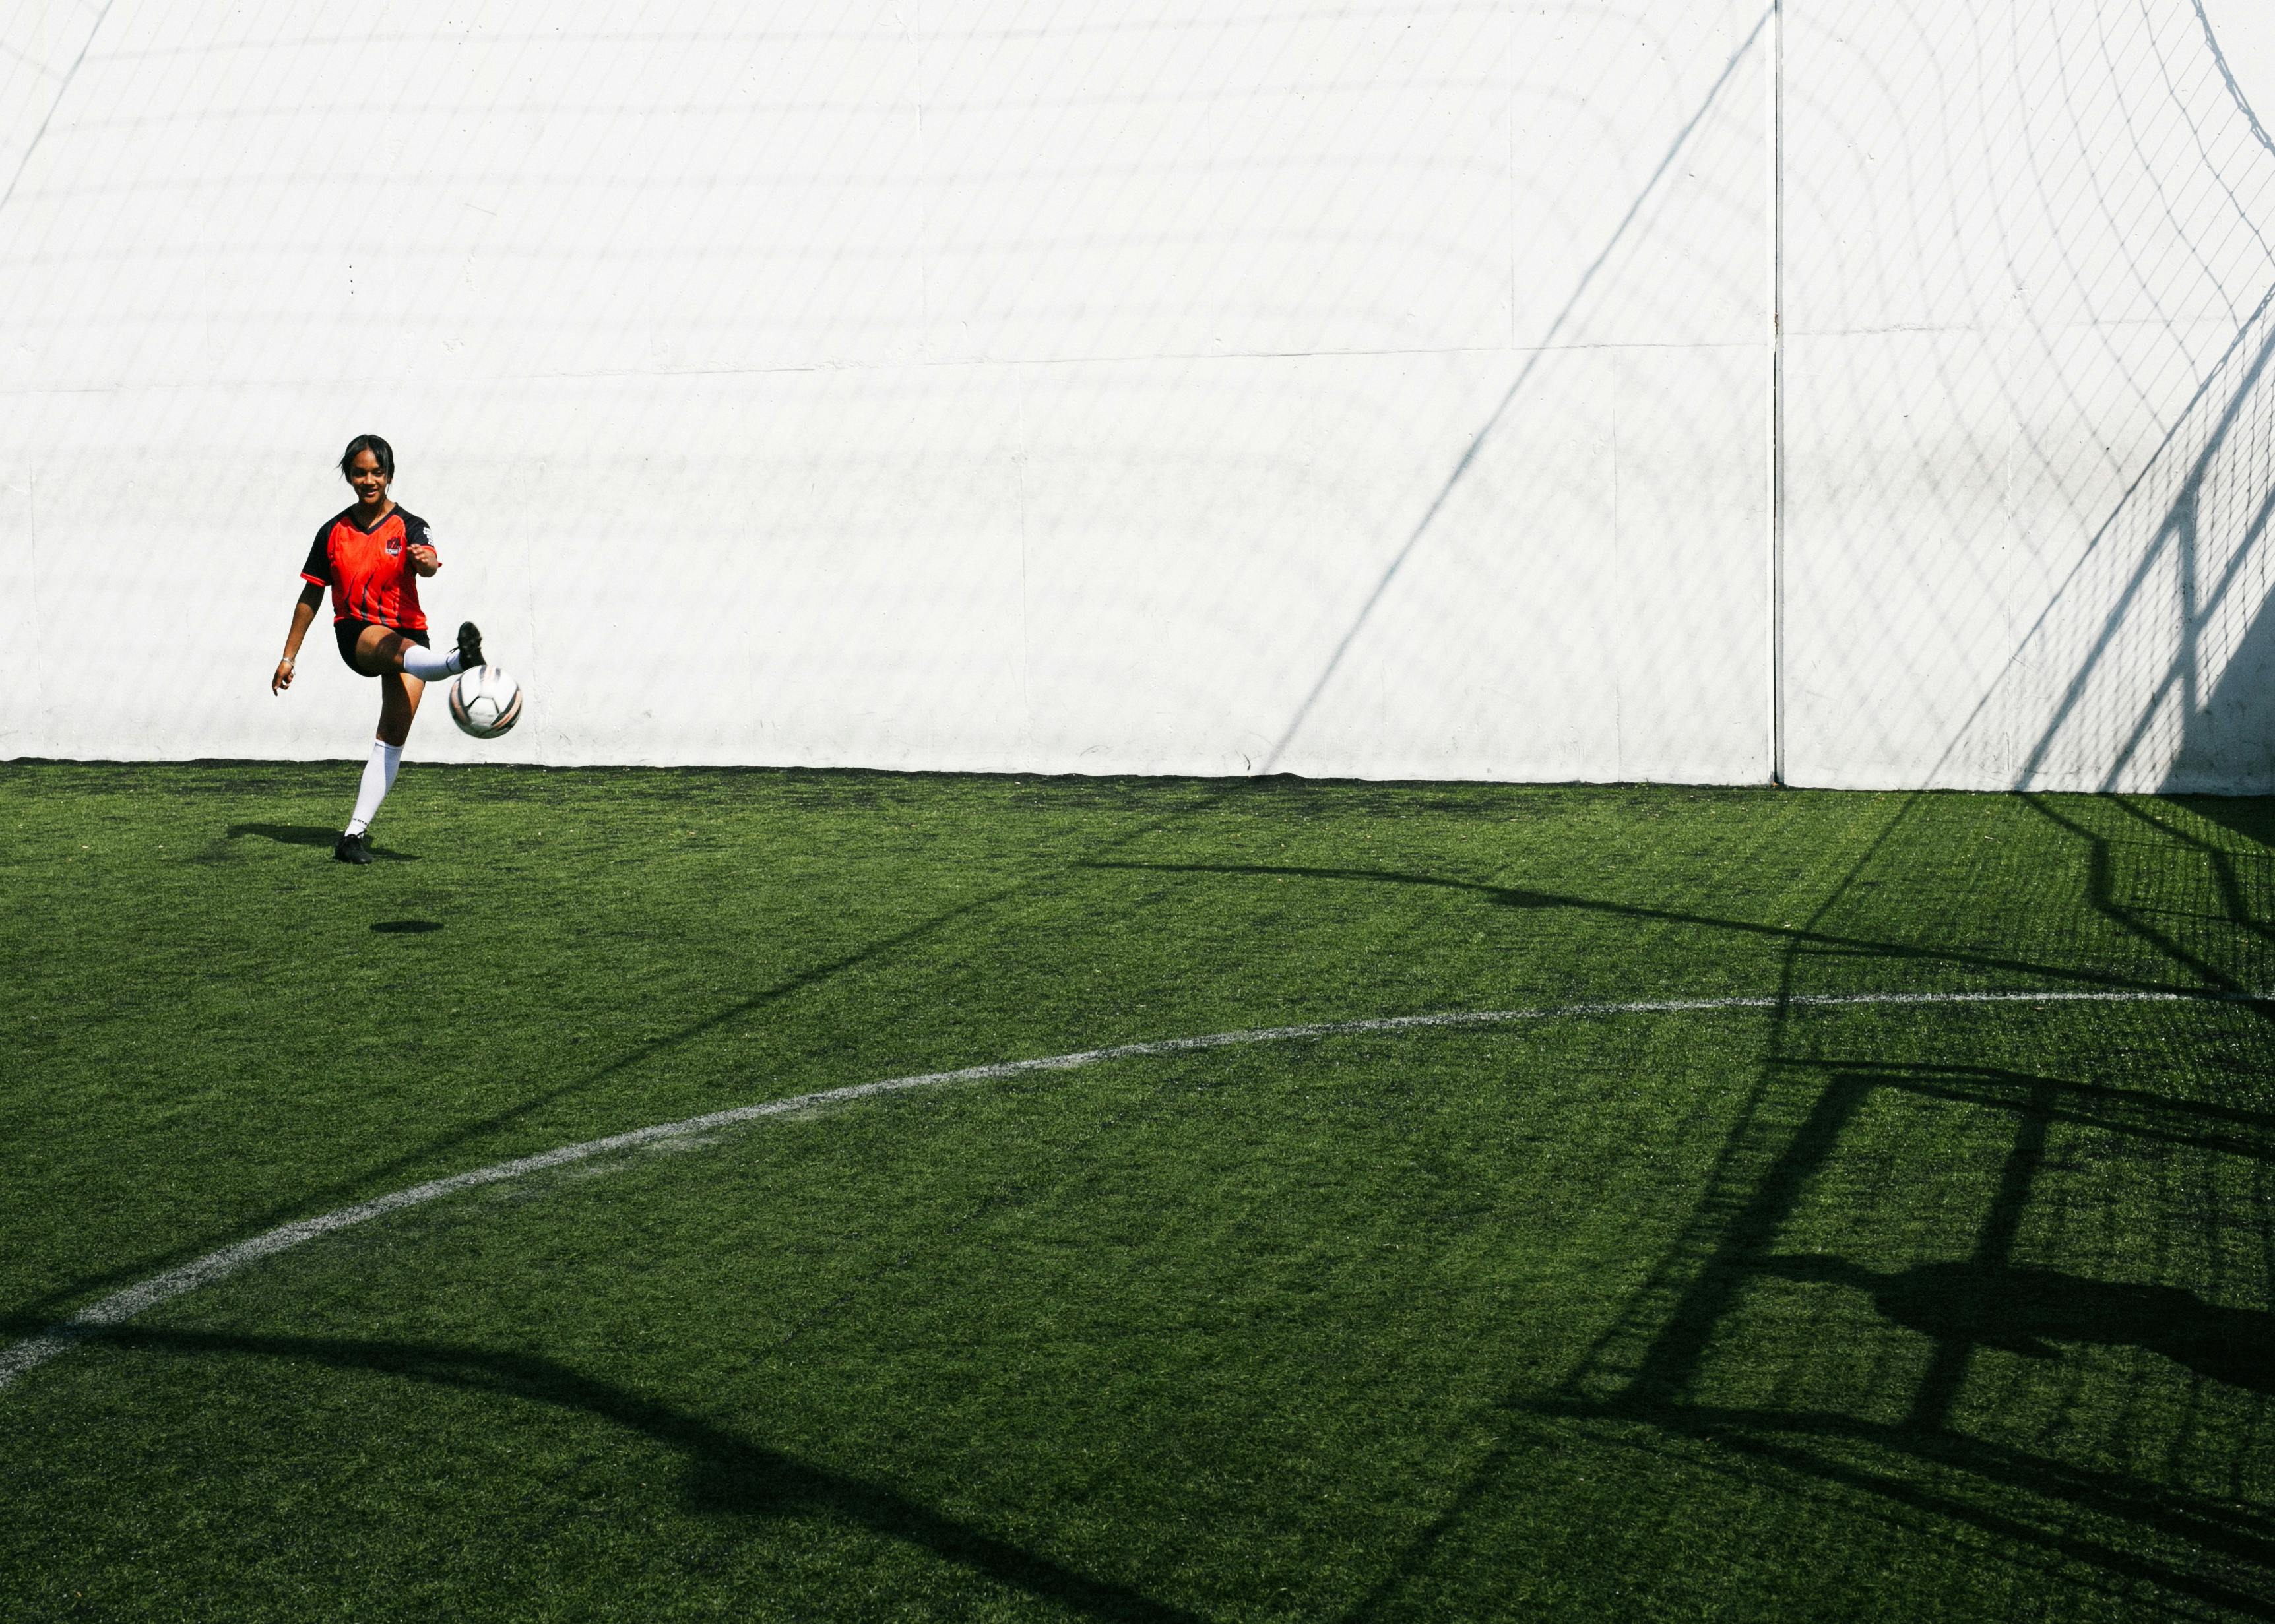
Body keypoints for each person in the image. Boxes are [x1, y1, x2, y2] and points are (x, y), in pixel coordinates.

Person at [271, 434, 485, 864]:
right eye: (360, 472)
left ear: (388, 475)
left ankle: (353, 836)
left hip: (411, 637)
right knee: (390, 644)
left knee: (392, 738)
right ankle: (458, 660)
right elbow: (310, 597)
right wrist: (288, 655)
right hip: (359, 634)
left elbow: (428, 564)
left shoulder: (409, 524)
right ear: (349, 475)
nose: (369, 480)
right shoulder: (332, 532)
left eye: (377, 472)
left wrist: (426, 562)